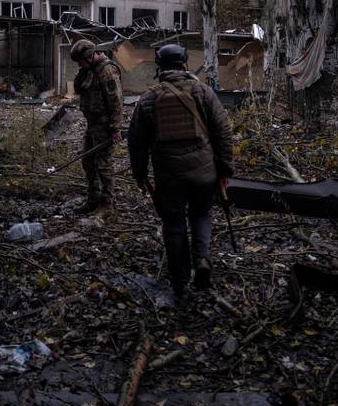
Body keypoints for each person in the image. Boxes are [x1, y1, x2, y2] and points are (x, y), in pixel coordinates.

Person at [127, 44, 234, 301]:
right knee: (201, 215)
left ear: (159, 66)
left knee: (174, 225)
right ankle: (202, 262)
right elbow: (223, 132)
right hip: (203, 173)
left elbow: (136, 141)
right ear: (184, 64)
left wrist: (140, 174)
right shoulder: (203, 92)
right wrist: (225, 169)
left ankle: (179, 280)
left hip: (169, 176)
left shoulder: (149, 98)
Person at [70, 39, 124, 216]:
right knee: (88, 162)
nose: (80, 64)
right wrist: (82, 70)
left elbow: (116, 100)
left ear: (91, 56)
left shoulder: (107, 70)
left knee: (104, 165)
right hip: (92, 124)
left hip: (104, 125)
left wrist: (116, 128)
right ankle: (92, 200)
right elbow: (78, 89)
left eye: (81, 61)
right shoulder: (88, 70)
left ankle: (107, 204)